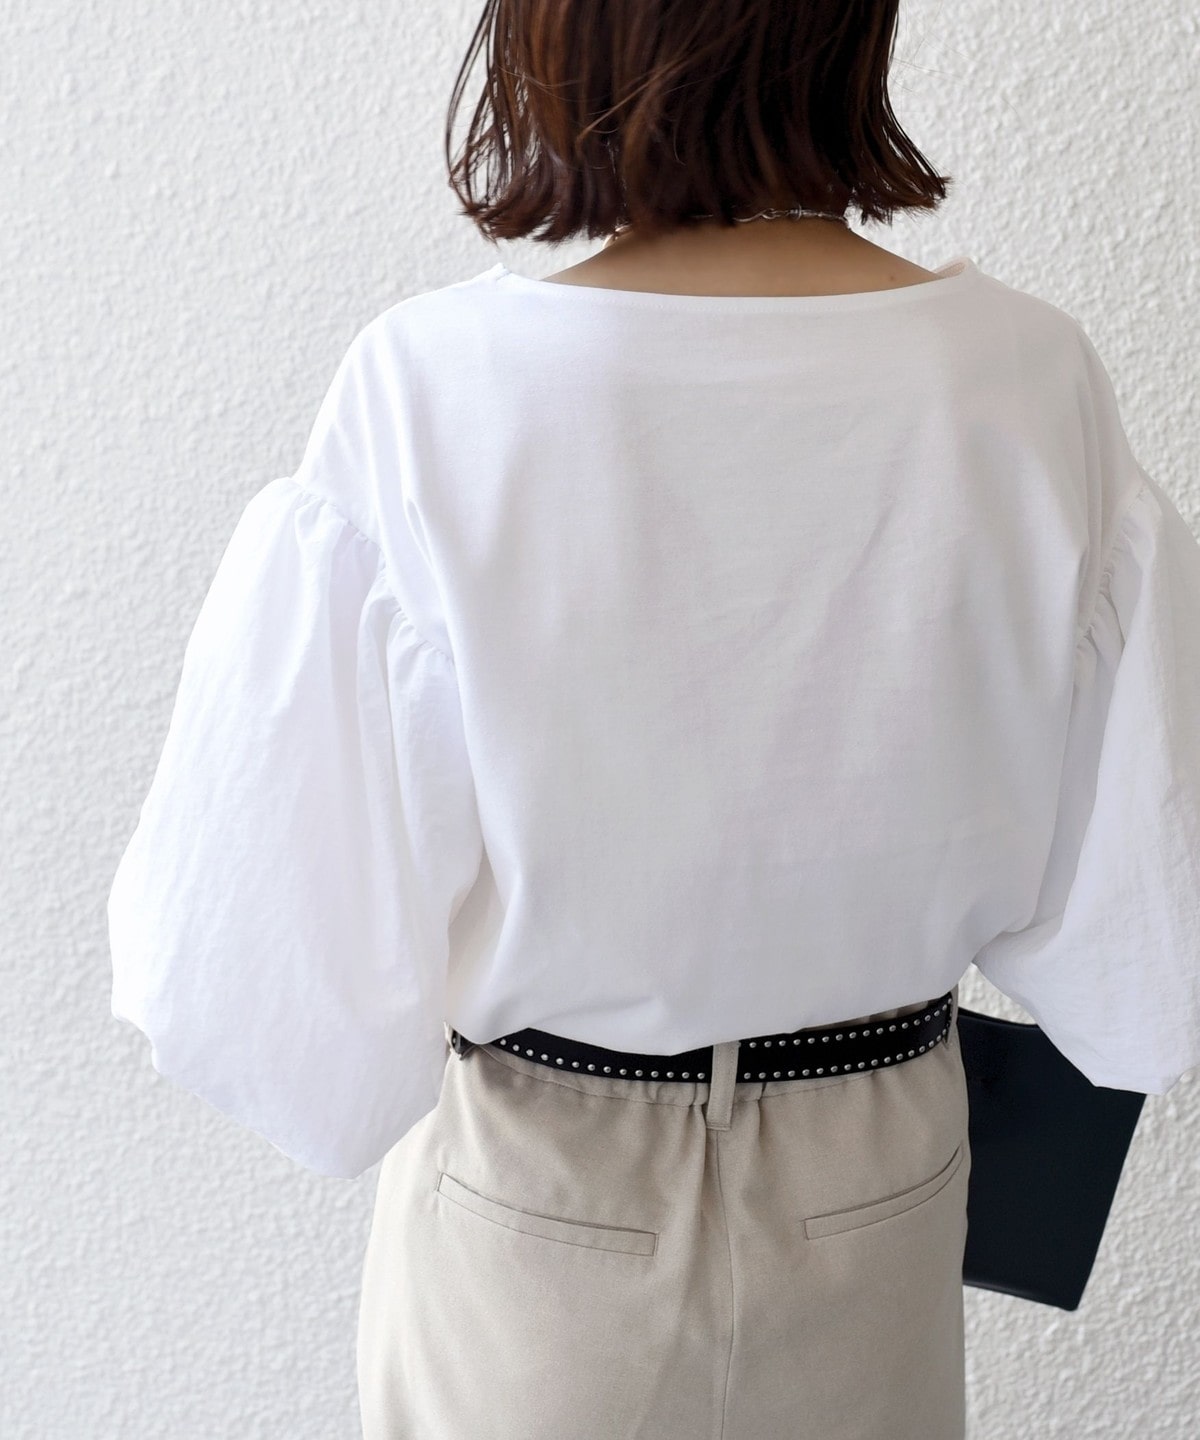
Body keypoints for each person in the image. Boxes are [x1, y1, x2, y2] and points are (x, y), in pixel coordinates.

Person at [106, 2, 1200, 1437]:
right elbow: (1142, 941)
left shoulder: (434, 392)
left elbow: (262, 993)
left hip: (547, 1206)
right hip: (877, 1187)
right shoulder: (1022, 380)